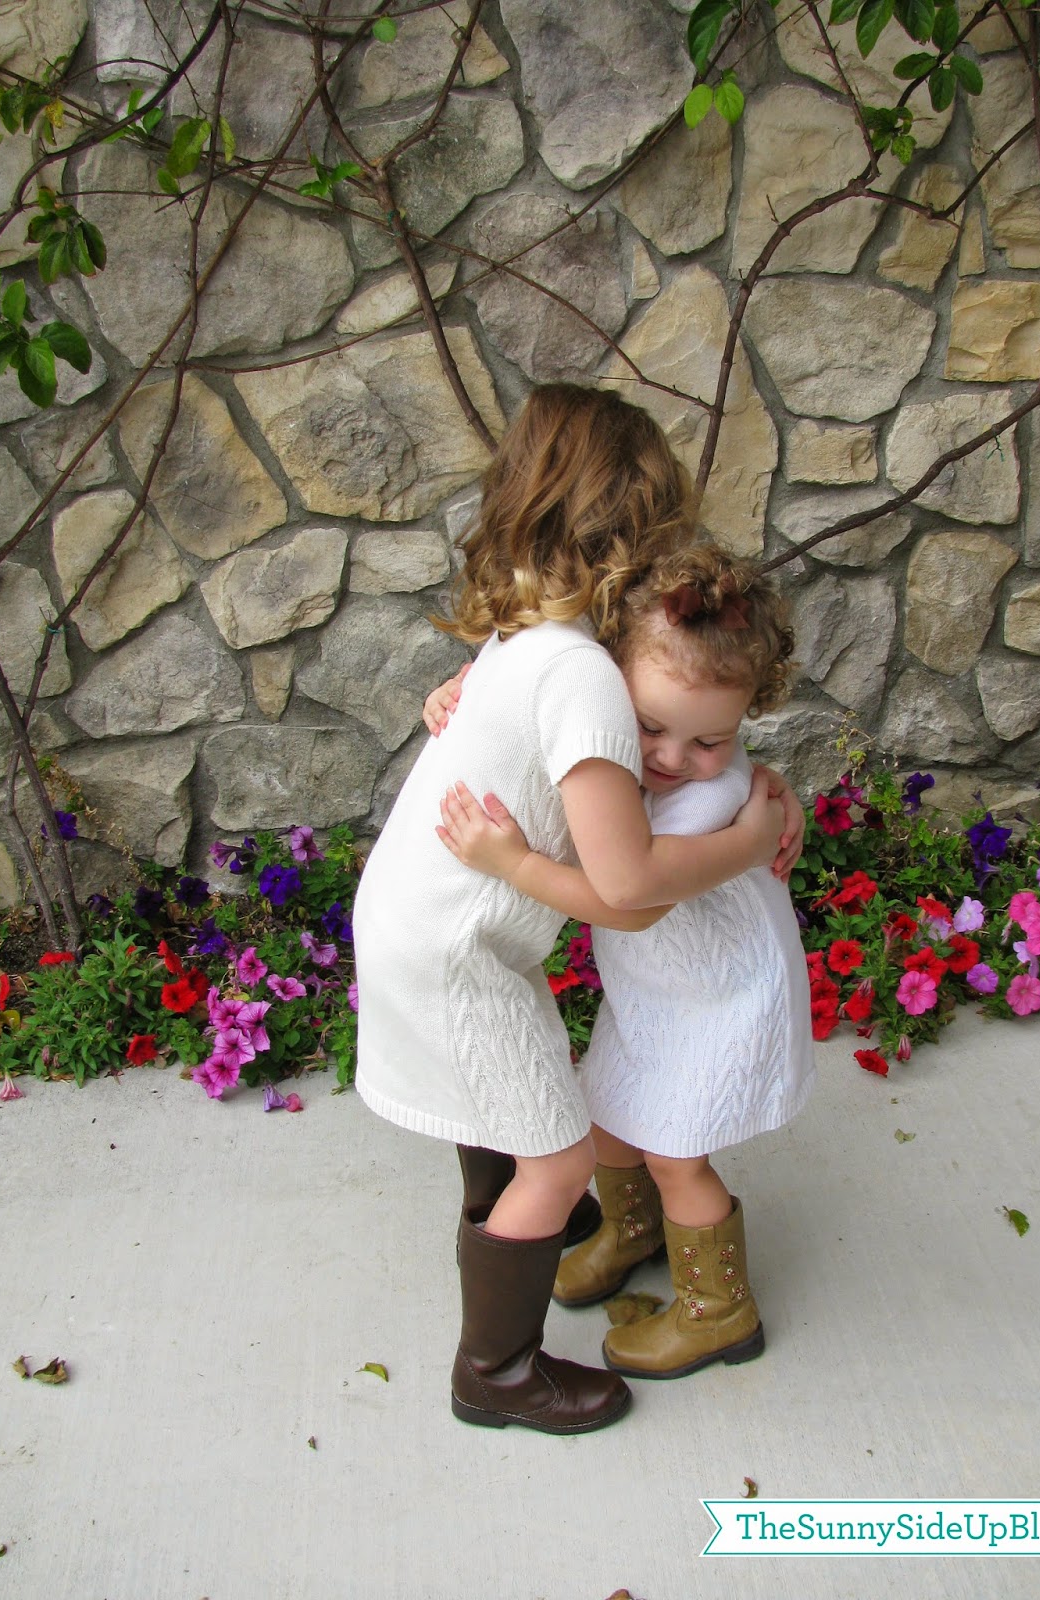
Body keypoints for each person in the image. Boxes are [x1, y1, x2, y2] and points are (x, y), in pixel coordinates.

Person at [351, 384, 802, 1435]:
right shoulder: (588, 678)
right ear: (640, 523)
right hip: (462, 947)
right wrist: (749, 838)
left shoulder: (531, 634)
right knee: (553, 1157)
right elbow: (631, 889)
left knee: (513, 1120)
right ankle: (496, 1370)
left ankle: (542, 1236)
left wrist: (752, 784)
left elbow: (666, 751)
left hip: (425, 920)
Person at [434, 542, 814, 1383]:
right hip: (658, 993)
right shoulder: (616, 736)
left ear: (748, 716)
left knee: (678, 1154)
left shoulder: (714, 802)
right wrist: (466, 691)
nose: (673, 758)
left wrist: (511, 863)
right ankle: (632, 1231)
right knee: (610, 1110)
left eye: (711, 740)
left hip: (721, 998)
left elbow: (627, 899)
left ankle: (720, 1309)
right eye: (650, 727)